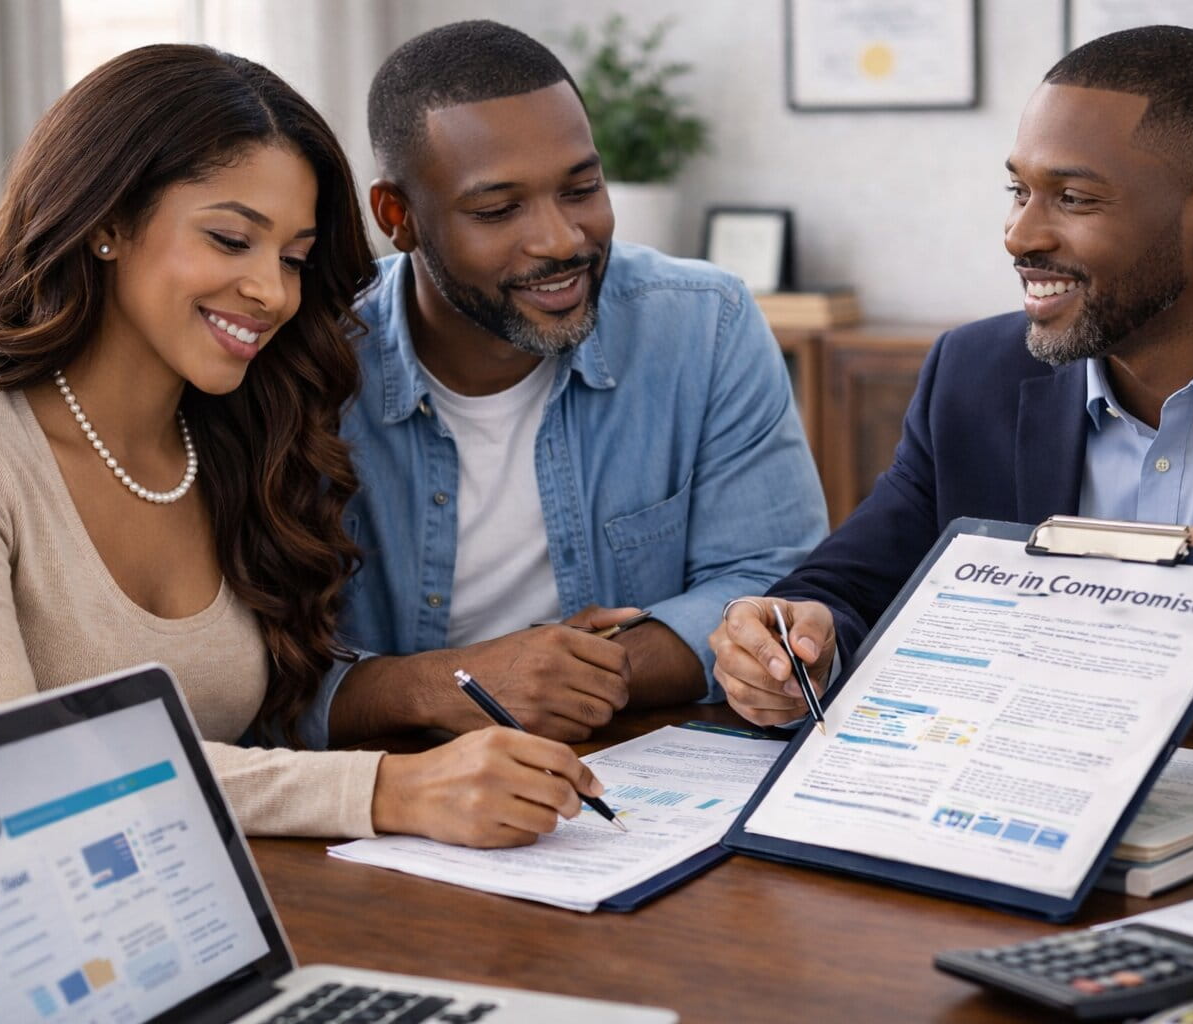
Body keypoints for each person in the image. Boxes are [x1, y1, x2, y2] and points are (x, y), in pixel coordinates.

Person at [0, 44, 607, 849]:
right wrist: (386, 789)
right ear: (107, 224)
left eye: (294, 259)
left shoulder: (240, 449)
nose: (272, 292)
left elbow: (263, 734)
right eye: (228, 239)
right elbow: (1, 777)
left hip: (190, 892)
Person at [711, 26, 1193, 756]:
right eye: (1019, 190)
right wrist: (792, 648)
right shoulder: (974, 373)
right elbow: (846, 591)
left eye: (1073, 198)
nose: (1019, 234)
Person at [317, 20, 828, 747]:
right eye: (498, 210)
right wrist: (452, 685)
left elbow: (772, 579)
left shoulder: (703, 323)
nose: (561, 240)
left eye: (582, 189)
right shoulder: (310, 364)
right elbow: (255, 671)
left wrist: (586, 672)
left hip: (628, 768)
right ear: (398, 218)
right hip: (387, 783)